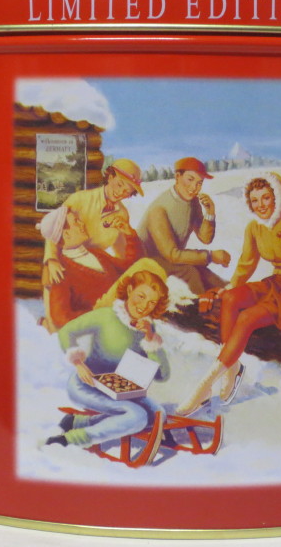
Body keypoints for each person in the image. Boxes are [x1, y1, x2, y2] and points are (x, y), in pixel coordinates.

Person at [176, 172, 281, 415]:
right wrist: (231, 287)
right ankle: (232, 367)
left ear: (277, 198)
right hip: (277, 282)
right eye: (255, 200)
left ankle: (204, 386)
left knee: (247, 318)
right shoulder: (254, 227)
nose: (261, 205)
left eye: (266, 198)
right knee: (230, 298)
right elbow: (246, 263)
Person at [46, 270, 171, 459]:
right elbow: (66, 331)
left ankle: (78, 422)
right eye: (141, 296)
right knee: (137, 416)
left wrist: (150, 338)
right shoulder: (106, 316)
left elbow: (162, 375)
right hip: (88, 384)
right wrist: (78, 363)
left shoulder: (147, 328)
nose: (144, 306)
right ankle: (69, 440)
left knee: (158, 414)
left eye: (152, 302)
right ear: (129, 290)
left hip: (120, 388)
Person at [37, 205, 163, 329]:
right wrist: (98, 317)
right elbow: (60, 317)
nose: (82, 223)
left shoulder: (95, 253)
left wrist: (129, 235)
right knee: (147, 265)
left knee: (148, 267)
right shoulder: (60, 270)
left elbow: (129, 267)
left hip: (127, 306)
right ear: (66, 234)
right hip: (105, 316)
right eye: (76, 221)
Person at [43, 158, 144, 287]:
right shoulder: (79, 199)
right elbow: (53, 228)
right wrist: (51, 259)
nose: (120, 193)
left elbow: (122, 253)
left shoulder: (122, 215)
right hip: (64, 266)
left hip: (91, 270)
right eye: (119, 185)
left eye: (127, 191)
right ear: (110, 177)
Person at [137, 157, 230, 295]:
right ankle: (203, 304)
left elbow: (205, 238)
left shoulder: (193, 202)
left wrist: (210, 214)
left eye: (199, 183)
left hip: (173, 260)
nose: (194, 187)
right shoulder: (160, 208)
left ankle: (231, 293)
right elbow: (172, 255)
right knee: (190, 272)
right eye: (190, 179)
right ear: (177, 177)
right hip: (148, 263)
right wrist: (211, 256)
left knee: (205, 273)